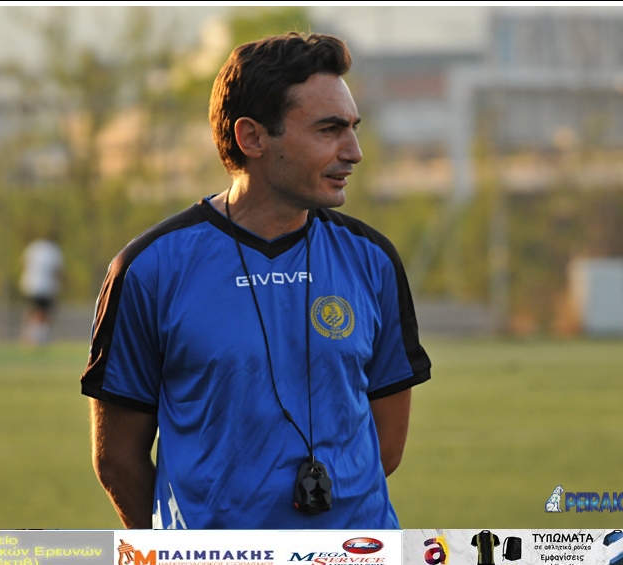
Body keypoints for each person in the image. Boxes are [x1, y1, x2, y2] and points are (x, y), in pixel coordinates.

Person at [81, 32, 431, 529]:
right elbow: (117, 459)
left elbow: (385, 448)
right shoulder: (149, 269)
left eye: (353, 128)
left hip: (355, 557)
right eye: (329, 130)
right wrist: (181, 559)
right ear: (252, 138)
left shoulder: (371, 259)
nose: (354, 152)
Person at [19, 238, 64, 345]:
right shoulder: (53, 250)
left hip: (29, 284)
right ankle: (38, 337)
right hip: (46, 286)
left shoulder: (33, 247)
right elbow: (56, 269)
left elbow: (23, 263)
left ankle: (30, 336)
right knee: (43, 312)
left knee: (32, 311)